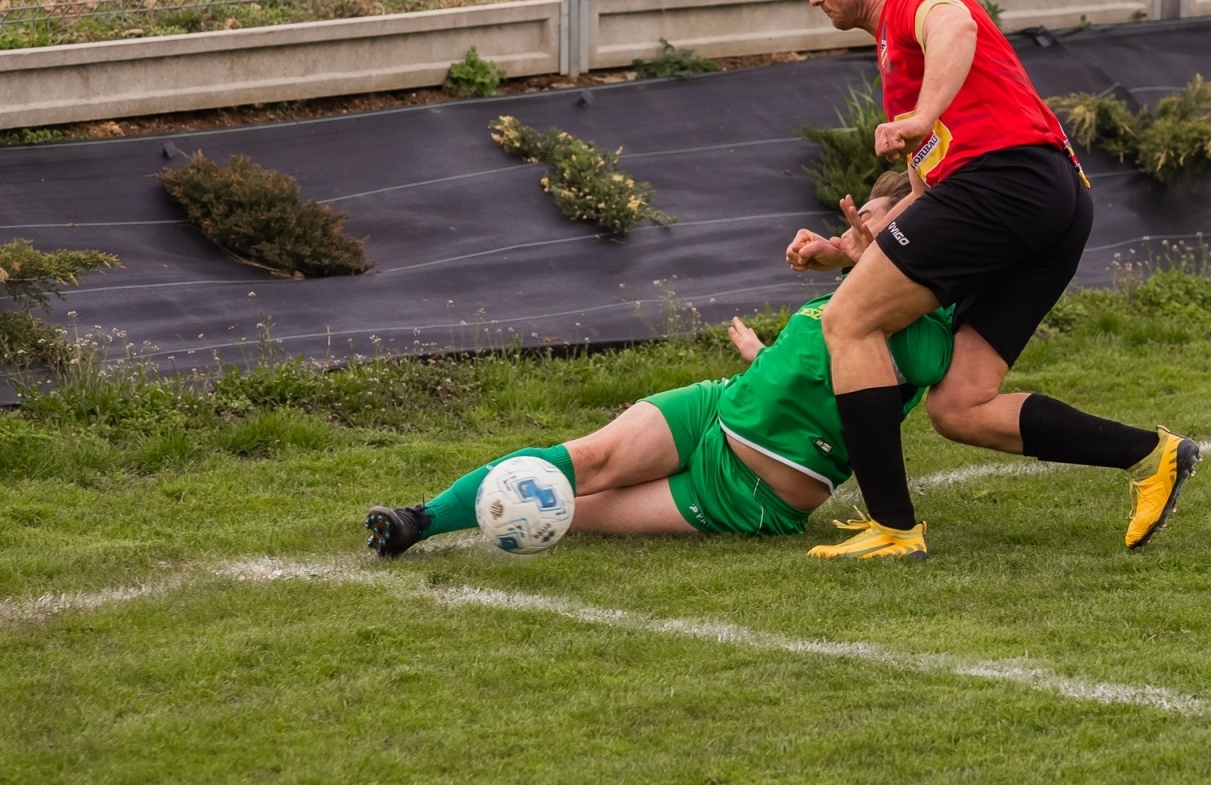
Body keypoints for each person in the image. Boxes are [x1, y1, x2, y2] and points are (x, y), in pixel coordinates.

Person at [787, 0, 1199, 560]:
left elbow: (956, 23)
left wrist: (919, 114)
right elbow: (928, 193)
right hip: (1051, 197)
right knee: (961, 406)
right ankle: (1152, 454)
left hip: (1004, 184)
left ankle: (893, 528)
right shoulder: (895, 48)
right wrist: (853, 250)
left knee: (847, 323)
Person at [365, 174, 955, 557]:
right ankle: (416, 520)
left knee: (578, 511)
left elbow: (882, 357)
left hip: (748, 489)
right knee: (584, 458)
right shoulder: (847, 289)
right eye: (873, 213)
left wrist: (898, 215)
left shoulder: (929, 318)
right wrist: (763, 357)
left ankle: (446, 518)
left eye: (883, 216)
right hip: (714, 408)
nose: (865, 223)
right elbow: (813, 369)